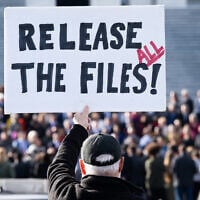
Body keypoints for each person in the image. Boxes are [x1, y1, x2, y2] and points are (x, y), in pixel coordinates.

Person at [47, 106, 145, 200]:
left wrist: (79, 129)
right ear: (121, 164)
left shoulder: (66, 195)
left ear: (82, 167)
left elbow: (58, 168)